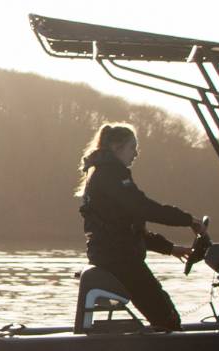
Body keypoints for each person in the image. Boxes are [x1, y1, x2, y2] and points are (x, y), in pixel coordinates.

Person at [76, 122, 207, 331]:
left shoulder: (104, 173)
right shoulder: (112, 174)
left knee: (163, 313)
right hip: (120, 260)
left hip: (112, 255)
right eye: (132, 148)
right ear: (116, 147)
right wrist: (188, 220)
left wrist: (171, 249)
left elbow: (128, 230)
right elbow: (144, 208)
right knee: (167, 318)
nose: (135, 154)